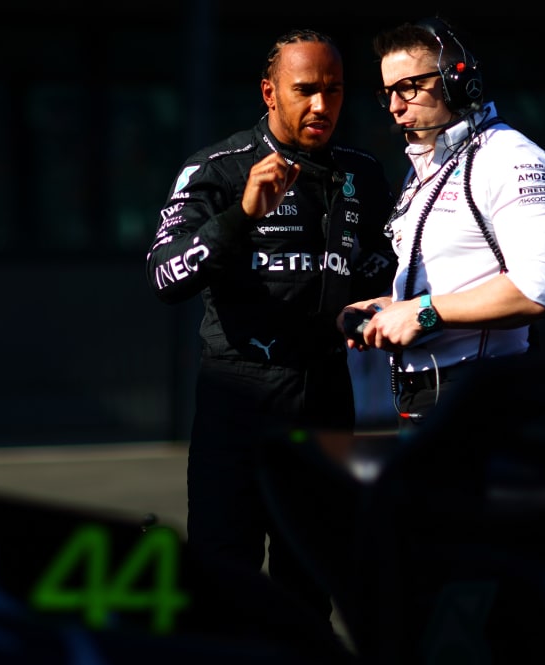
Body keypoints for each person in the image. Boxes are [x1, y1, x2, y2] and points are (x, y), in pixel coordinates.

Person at [145, 29, 398, 644]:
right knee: (219, 587)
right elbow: (163, 274)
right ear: (269, 93)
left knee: (308, 594)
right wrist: (243, 216)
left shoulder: (362, 174)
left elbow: (391, 270)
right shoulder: (217, 168)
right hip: (237, 401)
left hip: (328, 406)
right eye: (305, 90)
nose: (321, 106)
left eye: (333, 90)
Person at [339, 17, 545, 432]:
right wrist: (389, 307)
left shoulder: (513, 159)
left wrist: (423, 313)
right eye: (388, 92)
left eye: (409, 87)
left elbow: (541, 288)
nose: (395, 106)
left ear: (457, 82)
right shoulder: (427, 168)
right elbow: (455, 284)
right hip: (426, 400)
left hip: (486, 398)